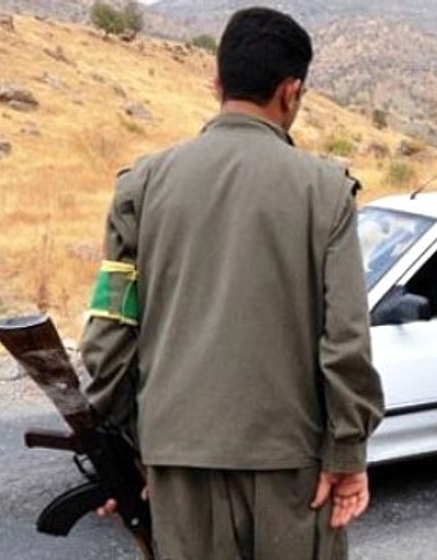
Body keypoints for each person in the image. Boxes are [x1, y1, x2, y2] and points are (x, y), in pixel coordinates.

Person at [79, 7, 384, 559]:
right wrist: (346, 456)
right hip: (292, 467)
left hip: (177, 465)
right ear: (291, 91)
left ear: (217, 83)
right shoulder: (325, 191)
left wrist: (138, 446)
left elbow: (107, 340)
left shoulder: (140, 188)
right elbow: (345, 342)